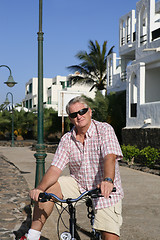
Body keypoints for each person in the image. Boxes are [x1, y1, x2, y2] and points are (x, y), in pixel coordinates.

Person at [20, 96, 124, 240]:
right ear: (70, 118)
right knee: (47, 191)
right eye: (74, 114)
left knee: (110, 235)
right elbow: (56, 168)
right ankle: (32, 236)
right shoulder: (67, 139)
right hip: (79, 184)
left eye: (82, 111)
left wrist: (107, 180)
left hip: (104, 187)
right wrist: (40, 189)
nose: (79, 116)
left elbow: (110, 157)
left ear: (90, 112)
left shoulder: (104, 129)